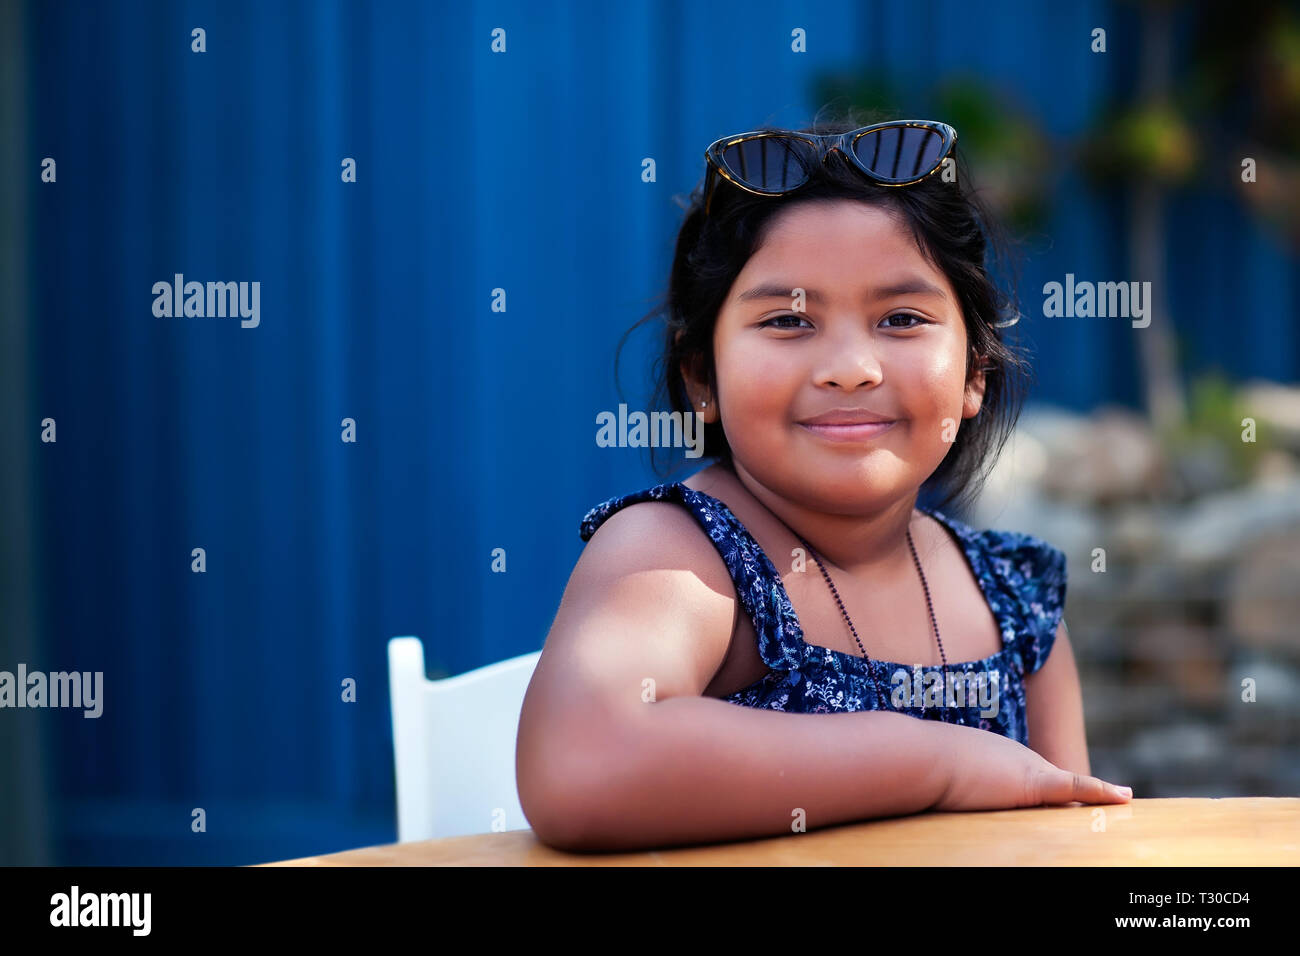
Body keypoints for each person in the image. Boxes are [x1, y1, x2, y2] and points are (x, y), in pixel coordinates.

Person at [516, 112, 1133, 854]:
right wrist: (936, 762)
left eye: (901, 318)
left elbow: (1073, 847)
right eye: (787, 321)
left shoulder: (1014, 602)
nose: (850, 366)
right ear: (701, 377)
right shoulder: (678, 559)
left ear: (975, 373)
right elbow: (581, 762)